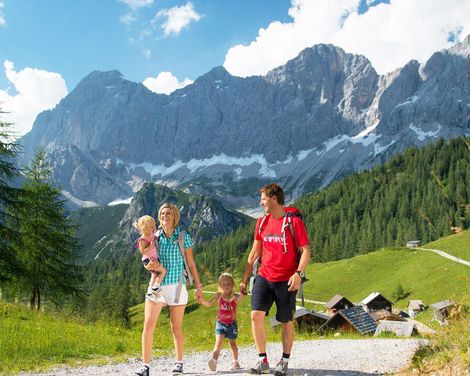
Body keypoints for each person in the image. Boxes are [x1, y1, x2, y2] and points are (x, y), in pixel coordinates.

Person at [239, 183, 311, 376]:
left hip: (286, 280)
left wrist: (298, 274)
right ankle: (263, 360)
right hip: (264, 276)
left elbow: (306, 252)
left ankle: (284, 361)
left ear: (273, 198)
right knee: (256, 315)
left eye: (263, 199)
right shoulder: (262, 222)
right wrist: (245, 279)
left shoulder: (293, 221)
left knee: (286, 320)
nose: (261, 203)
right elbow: (255, 252)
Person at [135, 203, 203, 376]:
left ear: (174, 217)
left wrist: (198, 286)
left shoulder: (183, 237)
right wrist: (148, 265)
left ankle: (179, 362)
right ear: (159, 217)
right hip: (157, 285)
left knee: (175, 327)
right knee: (148, 325)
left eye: (169, 213)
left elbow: (191, 263)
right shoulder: (154, 236)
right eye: (162, 213)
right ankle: (145, 366)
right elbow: (146, 258)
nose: (165, 216)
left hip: (177, 286)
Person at [200, 272, 244, 372]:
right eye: (223, 284)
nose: (226, 286)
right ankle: (214, 361)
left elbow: (242, 297)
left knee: (232, 344)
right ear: (220, 286)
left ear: (232, 284)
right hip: (220, 324)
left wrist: (243, 289)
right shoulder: (219, 296)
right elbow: (210, 303)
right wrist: (202, 301)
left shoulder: (235, 296)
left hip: (232, 325)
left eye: (228, 284)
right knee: (218, 343)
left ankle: (235, 361)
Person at [133, 215, 167, 298]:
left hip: (154, 258)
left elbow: (156, 235)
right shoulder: (142, 239)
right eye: (151, 226)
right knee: (163, 271)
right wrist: (151, 247)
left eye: (153, 225)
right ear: (144, 228)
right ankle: (156, 287)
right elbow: (143, 252)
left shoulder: (152, 233)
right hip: (148, 259)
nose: (153, 227)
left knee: (155, 274)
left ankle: (150, 291)